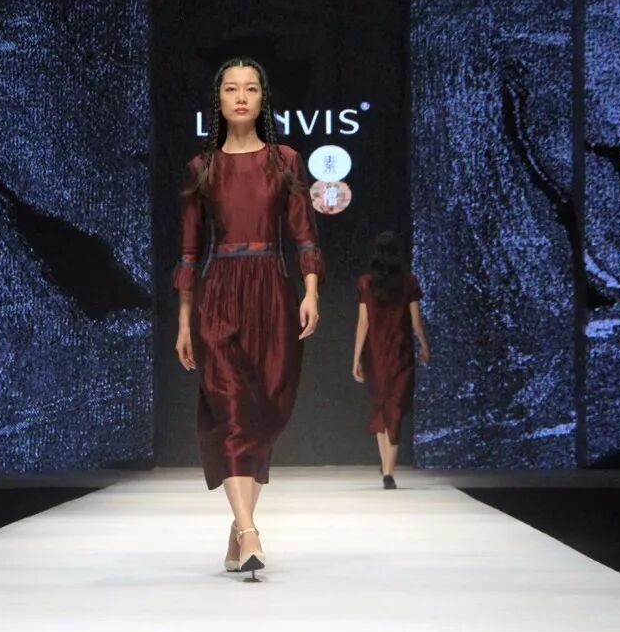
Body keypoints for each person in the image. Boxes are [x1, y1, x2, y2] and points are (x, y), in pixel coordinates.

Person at [174, 57, 324, 576]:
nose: (241, 97)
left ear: (263, 99)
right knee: (230, 411)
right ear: (218, 100)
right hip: (219, 293)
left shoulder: (286, 161)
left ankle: (239, 528)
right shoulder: (202, 168)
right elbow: (189, 250)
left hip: (272, 292)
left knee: (264, 413)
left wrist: (310, 291)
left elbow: (303, 231)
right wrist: (184, 321)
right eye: (231, 89)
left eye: (251, 89)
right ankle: (251, 531)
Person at [352, 231, 429, 489]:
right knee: (394, 409)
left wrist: (356, 358)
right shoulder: (408, 282)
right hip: (400, 353)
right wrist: (425, 346)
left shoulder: (366, 283)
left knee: (382, 406)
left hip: (375, 353)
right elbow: (416, 322)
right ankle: (388, 471)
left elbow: (363, 323)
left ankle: (386, 469)